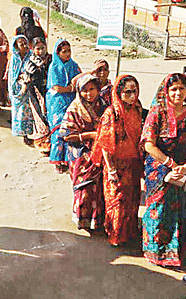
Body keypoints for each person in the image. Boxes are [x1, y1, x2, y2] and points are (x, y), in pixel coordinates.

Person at [141, 73, 186, 267]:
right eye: (173, 89)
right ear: (166, 91)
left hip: (182, 169)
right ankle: (156, 251)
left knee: (179, 207)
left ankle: (175, 252)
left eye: (181, 88)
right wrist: (171, 165)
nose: (177, 93)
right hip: (159, 168)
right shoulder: (157, 114)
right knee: (159, 209)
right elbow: (149, 146)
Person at [91, 74, 143, 246]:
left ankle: (130, 233)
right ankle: (116, 236)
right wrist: (112, 170)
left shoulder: (137, 109)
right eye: (127, 92)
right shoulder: (111, 113)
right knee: (116, 201)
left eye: (134, 91)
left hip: (133, 164)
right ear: (119, 93)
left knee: (132, 200)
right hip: (116, 165)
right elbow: (105, 144)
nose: (132, 96)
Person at [59, 73, 105, 230]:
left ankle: (97, 219)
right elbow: (66, 135)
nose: (89, 94)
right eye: (84, 90)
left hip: (101, 152)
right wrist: (89, 135)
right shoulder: (74, 109)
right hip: (80, 153)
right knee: (84, 189)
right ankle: (82, 219)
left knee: (99, 188)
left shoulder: (103, 105)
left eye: (92, 89)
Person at [47, 39, 81, 173]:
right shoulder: (54, 67)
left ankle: (67, 159)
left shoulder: (74, 65)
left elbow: (80, 78)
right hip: (57, 102)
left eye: (69, 51)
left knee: (70, 128)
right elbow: (56, 87)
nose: (67, 54)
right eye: (64, 51)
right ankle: (56, 160)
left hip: (71, 101)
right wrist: (72, 88)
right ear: (57, 53)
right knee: (58, 130)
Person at [20, 35, 52, 153]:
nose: (40, 51)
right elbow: (26, 78)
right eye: (37, 49)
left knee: (48, 115)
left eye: (42, 48)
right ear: (32, 49)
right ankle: (42, 143)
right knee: (39, 115)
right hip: (35, 92)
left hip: (48, 91)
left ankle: (49, 141)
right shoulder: (30, 62)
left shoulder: (51, 59)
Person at [8, 34, 34, 143]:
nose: (24, 45)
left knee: (30, 112)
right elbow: (13, 75)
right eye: (21, 43)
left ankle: (31, 133)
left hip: (30, 87)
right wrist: (21, 81)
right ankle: (23, 134)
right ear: (16, 46)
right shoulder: (15, 58)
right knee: (20, 112)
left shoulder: (31, 55)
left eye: (25, 42)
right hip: (18, 88)